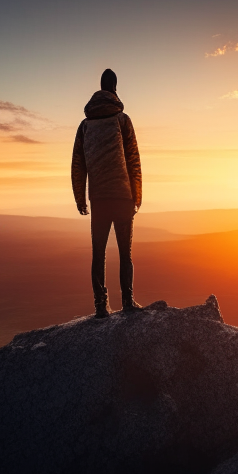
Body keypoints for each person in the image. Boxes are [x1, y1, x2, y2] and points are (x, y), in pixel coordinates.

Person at [71, 69, 143, 319]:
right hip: (123, 197)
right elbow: (133, 158)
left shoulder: (85, 125)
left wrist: (80, 198)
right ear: (115, 87)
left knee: (98, 252)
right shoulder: (122, 120)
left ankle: (100, 306)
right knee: (126, 253)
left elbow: (78, 164)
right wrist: (137, 194)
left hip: (99, 198)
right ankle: (128, 301)